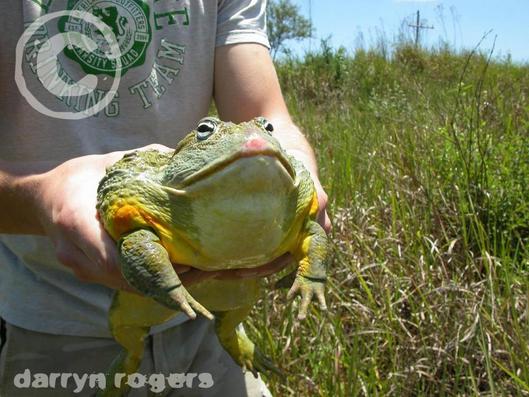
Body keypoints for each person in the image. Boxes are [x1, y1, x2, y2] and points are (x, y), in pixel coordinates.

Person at [0, 0, 330, 396]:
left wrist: (300, 177)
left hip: (210, 320)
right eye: (209, 131)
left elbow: (263, 115)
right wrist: (41, 201)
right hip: (52, 326)